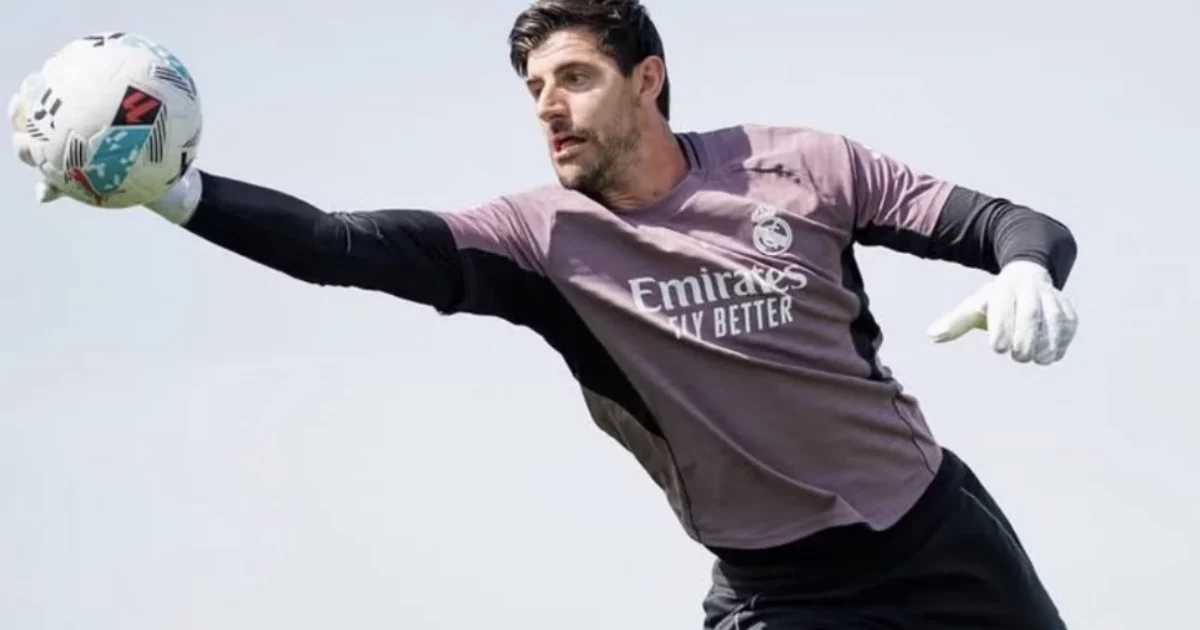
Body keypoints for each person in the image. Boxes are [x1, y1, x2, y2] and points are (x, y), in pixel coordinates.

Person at [10, 1, 1079, 628]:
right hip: (784, 595)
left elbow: (1011, 224)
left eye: (573, 77)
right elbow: (336, 245)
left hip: (937, 533)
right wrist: (175, 193)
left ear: (648, 79)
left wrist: (1028, 270)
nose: (548, 108)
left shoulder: (804, 165)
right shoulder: (537, 242)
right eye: (533, 88)